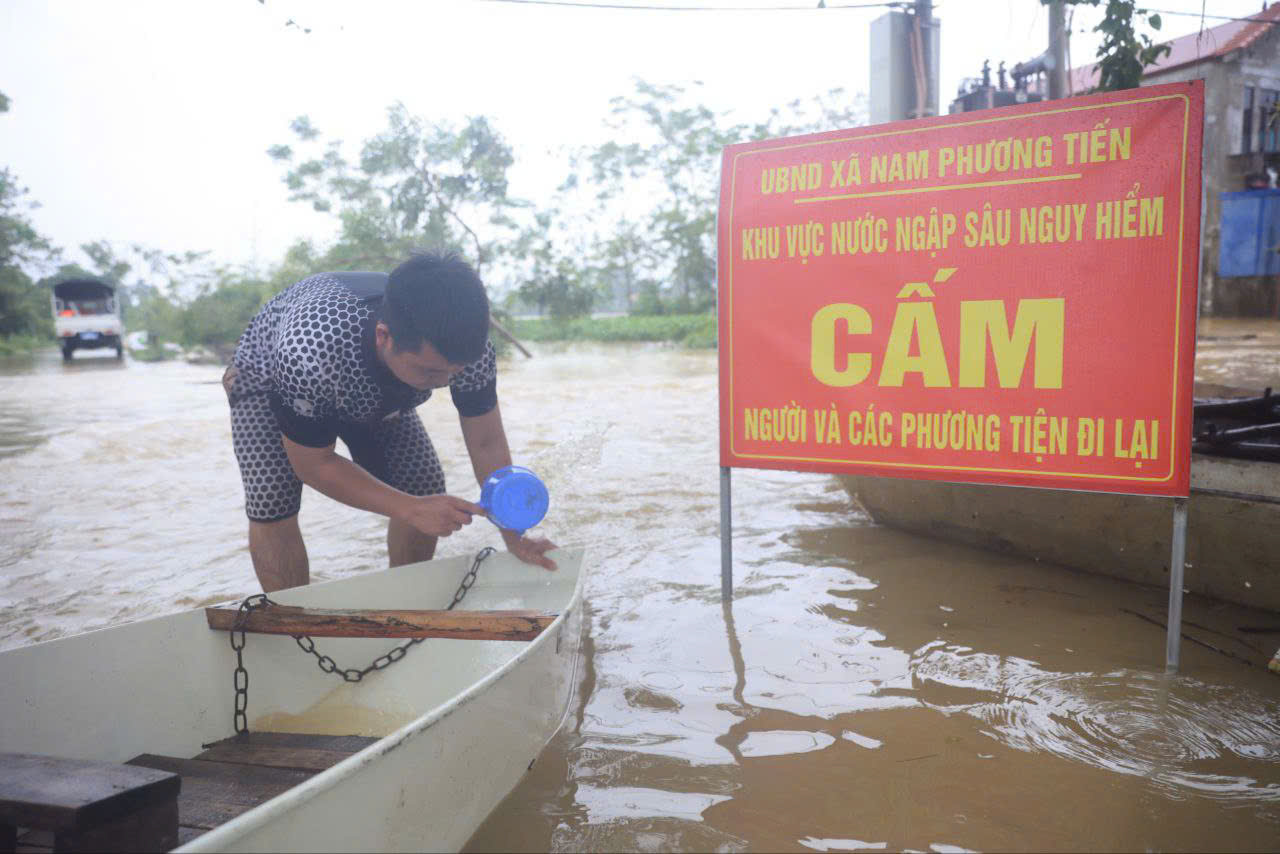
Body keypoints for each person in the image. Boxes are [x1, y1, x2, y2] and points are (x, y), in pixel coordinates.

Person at [222, 250, 556, 592]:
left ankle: (404, 597)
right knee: (273, 499)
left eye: (452, 373)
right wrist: (409, 509)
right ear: (384, 336)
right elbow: (312, 464)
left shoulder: (469, 352)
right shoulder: (307, 351)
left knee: (423, 485)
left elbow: (486, 442)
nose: (443, 382)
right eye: (430, 371)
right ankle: (288, 618)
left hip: (375, 388)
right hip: (268, 379)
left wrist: (514, 535)